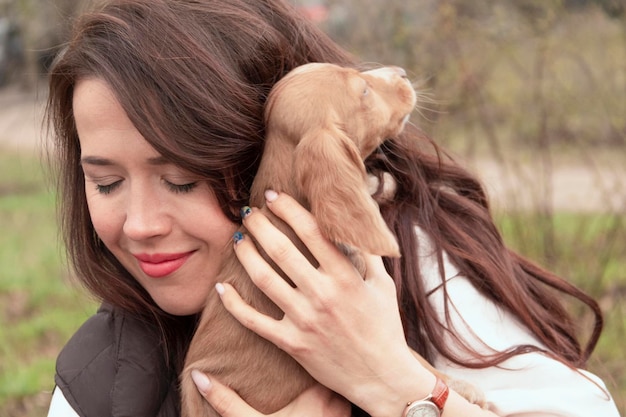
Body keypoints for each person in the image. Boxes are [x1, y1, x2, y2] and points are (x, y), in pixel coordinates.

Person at [45, 0, 620, 416]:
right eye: (106, 182)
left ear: (263, 154)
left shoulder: (420, 284)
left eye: (180, 181)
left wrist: (399, 386)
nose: (141, 225)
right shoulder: (104, 375)